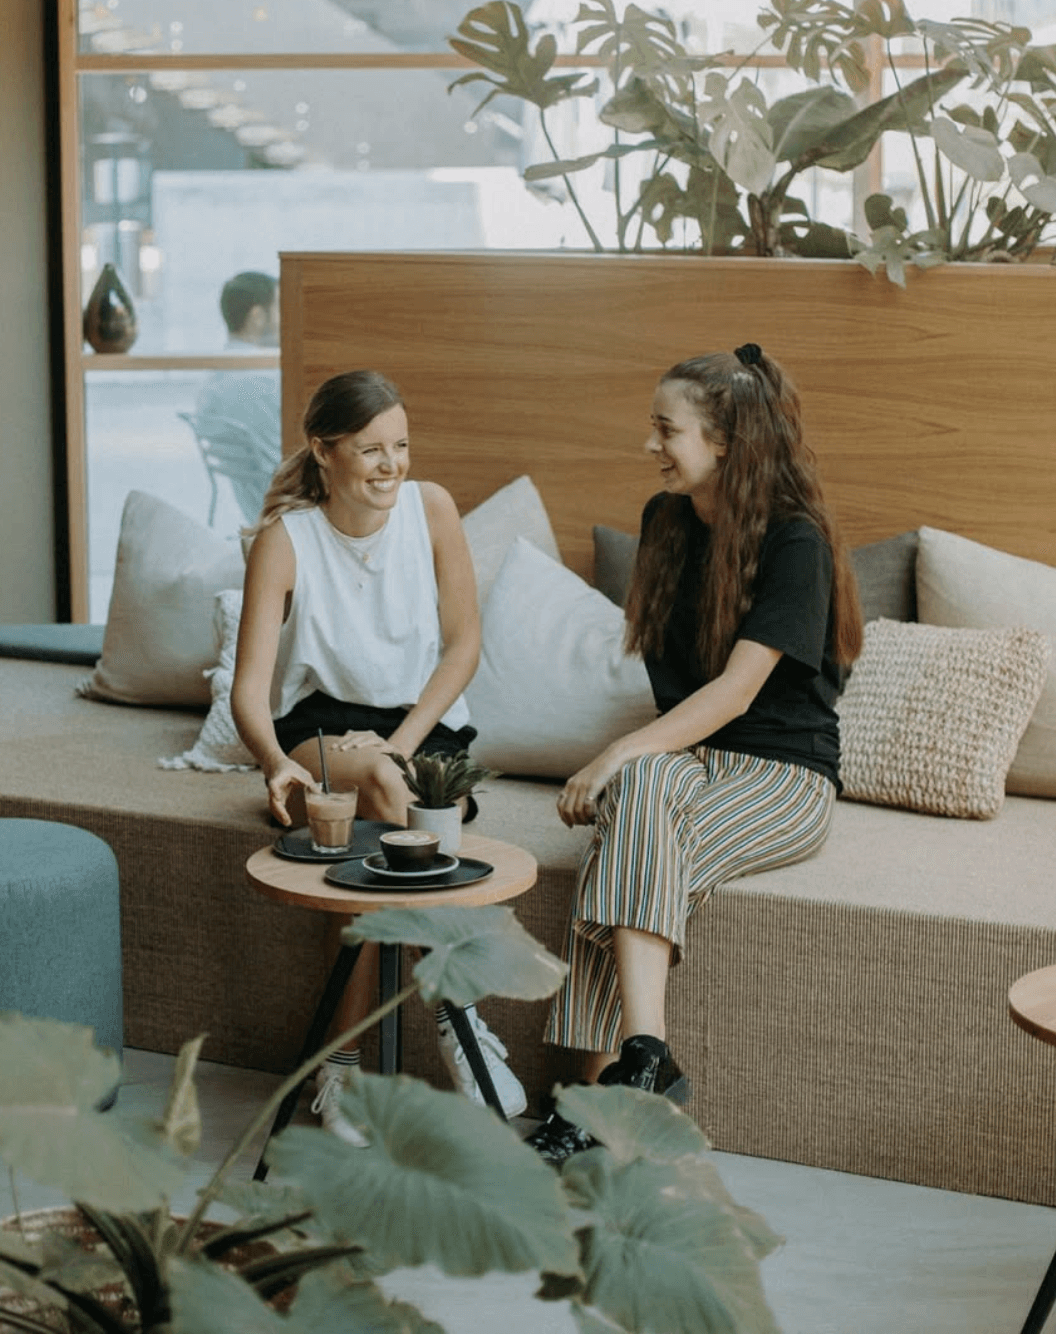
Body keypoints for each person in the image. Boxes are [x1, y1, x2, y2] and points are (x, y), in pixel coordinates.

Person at [527, 343, 863, 1165]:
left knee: (626, 833)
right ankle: (647, 1057)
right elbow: (680, 704)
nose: (651, 446)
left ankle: (593, 1101)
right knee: (640, 808)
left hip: (784, 773)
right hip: (689, 760)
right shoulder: (665, 521)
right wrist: (635, 760)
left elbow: (737, 694)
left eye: (665, 430)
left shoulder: (795, 543)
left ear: (724, 443)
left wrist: (614, 755)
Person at [230, 367, 526, 1139]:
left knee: (376, 853)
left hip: (420, 727)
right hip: (323, 731)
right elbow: (250, 693)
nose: (392, 465)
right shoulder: (285, 542)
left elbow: (463, 647)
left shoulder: (431, 509)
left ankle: (338, 1071)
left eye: (401, 445)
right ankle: (463, 1024)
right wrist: (274, 762)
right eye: (370, 450)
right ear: (322, 451)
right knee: (392, 804)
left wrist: (397, 744)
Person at [192, 271, 282, 524]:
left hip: (255, 513)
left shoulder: (214, 381)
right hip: (292, 514)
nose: (286, 318)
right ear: (257, 317)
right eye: (279, 309)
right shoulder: (267, 380)